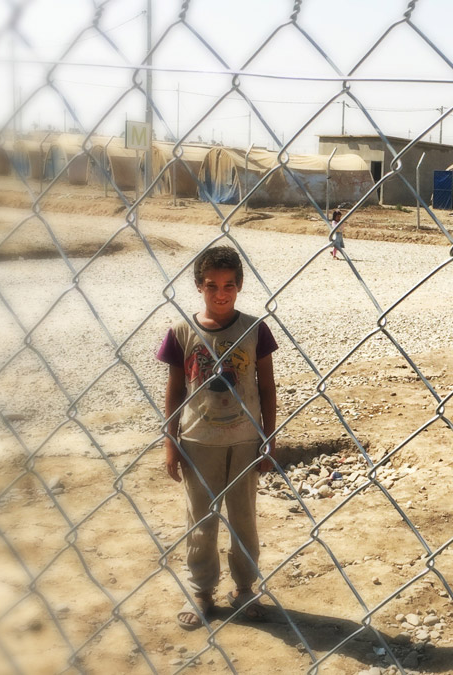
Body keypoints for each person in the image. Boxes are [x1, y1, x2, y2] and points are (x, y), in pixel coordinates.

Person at [156, 246, 278, 629]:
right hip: (197, 442)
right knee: (201, 521)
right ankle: (202, 590)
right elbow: (174, 391)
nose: (221, 294)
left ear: (239, 286)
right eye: (212, 286)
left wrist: (269, 438)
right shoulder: (181, 333)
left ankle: (244, 588)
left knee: (244, 519)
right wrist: (170, 441)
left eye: (228, 285)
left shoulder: (255, 330)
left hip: (244, 441)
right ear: (198, 286)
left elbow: (268, 388)